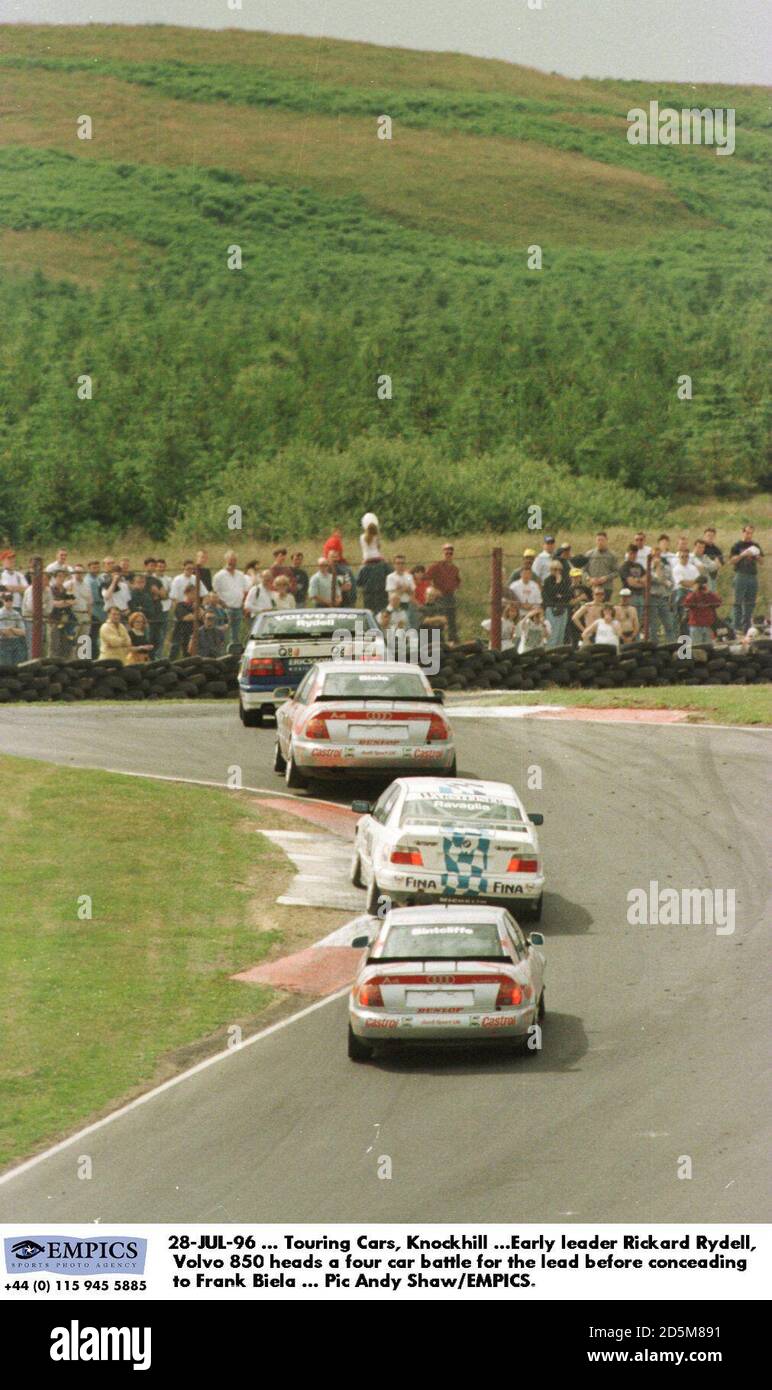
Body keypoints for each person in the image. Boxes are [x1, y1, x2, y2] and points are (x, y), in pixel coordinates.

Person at [729, 525, 763, 633]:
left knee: (750, 603)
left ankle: (746, 627)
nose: (749, 535)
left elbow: (762, 562)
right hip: (741, 575)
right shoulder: (737, 545)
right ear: (743, 532)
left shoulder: (755, 545)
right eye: (747, 532)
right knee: (737, 602)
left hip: (752, 576)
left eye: (751, 533)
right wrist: (743, 555)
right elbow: (732, 561)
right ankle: (736, 627)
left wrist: (757, 557)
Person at [213, 551, 250, 646]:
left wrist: (243, 603)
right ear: (226, 560)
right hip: (225, 609)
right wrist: (223, 605)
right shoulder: (219, 576)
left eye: (234, 560)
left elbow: (245, 590)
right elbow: (215, 593)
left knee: (236, 634)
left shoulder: (240, 575)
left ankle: (234, 653)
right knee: (224, 633)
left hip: (238, 608)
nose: (232, 563)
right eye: (230, 560)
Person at [425, 544, 461, 641]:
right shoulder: (436, 566)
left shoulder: (455, 568)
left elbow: (458, 581)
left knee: (452, 620)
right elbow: (426, 577)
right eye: (446, 553)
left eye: (450, 553)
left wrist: (455, 588)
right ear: (443, 554)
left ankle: (453, 640)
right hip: (440, 597)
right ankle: (439, 641)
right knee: (440, 619)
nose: (448, 555)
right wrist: (433, 589)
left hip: (450, 596)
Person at [670, 544, 701, 633]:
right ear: (679, 556)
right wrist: (694, 583)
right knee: (682, 617)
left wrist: (695, 585)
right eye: (682, 556)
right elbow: (682, 583)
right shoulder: (676, 569)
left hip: (693, 592)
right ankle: (681, 638)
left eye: (686, 556)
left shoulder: (693, 567)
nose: (684, 558)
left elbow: (699, 581)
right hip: (682, 592)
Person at [541, 560, 572, 646]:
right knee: (552, 634)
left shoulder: (565, 580)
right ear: (551, 570)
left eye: (559, 570)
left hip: (563, 609)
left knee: (560, 634)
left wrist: (560, 596)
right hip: (551, 609)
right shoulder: (547, 580)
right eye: (555, 569)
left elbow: (569, 595)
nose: (557, 572)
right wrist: (558, 583)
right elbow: (550, 594)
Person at [21, 570, 52, 656]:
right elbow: (31, 607)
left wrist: (41, 608)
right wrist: (43, 607)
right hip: (30, 621)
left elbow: (49, 607)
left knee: (43, 644)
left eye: (47, 579)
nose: (45, 581)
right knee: (32, 645)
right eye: (43, 579)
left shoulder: (48, 591)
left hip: (42, 620)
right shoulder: (31, 590)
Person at [48, 569, 78, 658]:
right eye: (59, 576)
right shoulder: (51, 589)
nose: (61, 578)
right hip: (55, 620)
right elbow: (56, 604)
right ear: (54, 577)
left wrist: (64, 602)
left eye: (63, 576)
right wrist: (67, 602)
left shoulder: (66, 590)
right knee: (55, 645)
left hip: (67, 620)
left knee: (67, 645)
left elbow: (75, 601)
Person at [647, 550, 675, 642]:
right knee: (653, 625)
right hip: (652, 598)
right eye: (655, 555)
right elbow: (657, 579)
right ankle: (654, 646)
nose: (657, 557)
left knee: (669, 623)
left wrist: (666, 583)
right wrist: (663, 581)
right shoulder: (648, 568)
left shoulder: (666, 568)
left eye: (658, 555)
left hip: (663, 598)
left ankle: (671, 644)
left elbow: (671, 583)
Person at [683, 577, 721, 644]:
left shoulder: (709, 594)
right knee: (696, 646)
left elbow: (718, 603)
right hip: (695, 625)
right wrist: (694, 591)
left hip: (708, 624)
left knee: (708, 645)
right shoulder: (693, 595)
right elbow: (686, 604)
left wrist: (709, 593)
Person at [65, 564, 93, 651]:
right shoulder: (68, 584)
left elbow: (89, 602)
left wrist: (89, 616)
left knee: (84, 641)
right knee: (72, 640)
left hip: (85, 615)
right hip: (74, 615)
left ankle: (83, 661)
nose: (79, 574)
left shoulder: (87, 586)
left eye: (80, 572)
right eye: (77, 572)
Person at [581, 532, 618, 598]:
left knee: (605, 608)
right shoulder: (589, 554)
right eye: (598, 540)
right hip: (592, 587)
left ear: (607, 540)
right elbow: (583, 570)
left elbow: (617, 572)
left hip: (606, 588)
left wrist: (606, 578)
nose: (600, 542)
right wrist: (589, 578)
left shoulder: (612, 555)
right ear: (596, 541)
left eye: (602, 540)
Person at [170, 584, 199, 660]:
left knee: (188, 657)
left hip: (191, 635)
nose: (194, 596)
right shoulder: (180, 605)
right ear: (186, 593)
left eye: (196, 594)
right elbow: (187, 617)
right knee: (174, 655)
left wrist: (197, 610)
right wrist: (196, 612)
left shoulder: (198, 606)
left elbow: (203, 616)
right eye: (192, 593)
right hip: (180, 634)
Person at [619, 544, 646, 624]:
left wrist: (637, 580)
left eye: (635, 553)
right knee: (629, 620)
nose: (633, 555)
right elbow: (631, 583)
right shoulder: (624, 567)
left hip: (640, 596)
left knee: (638, 620)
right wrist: (640, 581)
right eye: (631, 553)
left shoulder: (639, 566)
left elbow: (646, 582)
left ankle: (637, 636)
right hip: (629, 597)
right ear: (627, 553)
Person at [0, 591, 27, 666]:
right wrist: (15, 631)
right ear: (3, 600)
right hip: (3, 642)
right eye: (6, 600)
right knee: (5, 666)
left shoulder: (16, 614)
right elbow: (3, 632)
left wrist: (11, 629)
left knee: (16, 666)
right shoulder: (0, 613)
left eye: (10, 600)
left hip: (15, 642)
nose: (9, 602)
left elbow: (23, 632)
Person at [385, 555, 416, 619]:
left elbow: (412, 593)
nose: (400, 565)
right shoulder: (390, 577)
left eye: (402, 563)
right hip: (394, 606)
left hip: (406, 605)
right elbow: (393, 594)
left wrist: (401, 589)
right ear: (394, 564)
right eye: (398, 563)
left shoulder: (409, 577)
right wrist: (405, 588)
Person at [702, 527, 724, 591]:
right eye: (708, 535)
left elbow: (721, 563)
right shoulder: (700, 547)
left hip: (712, 577)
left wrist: (718, 563)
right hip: (702, 578)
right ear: (704, 536)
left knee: (711, 597)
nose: (710, 537)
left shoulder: (717, 550)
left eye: (712, 536)